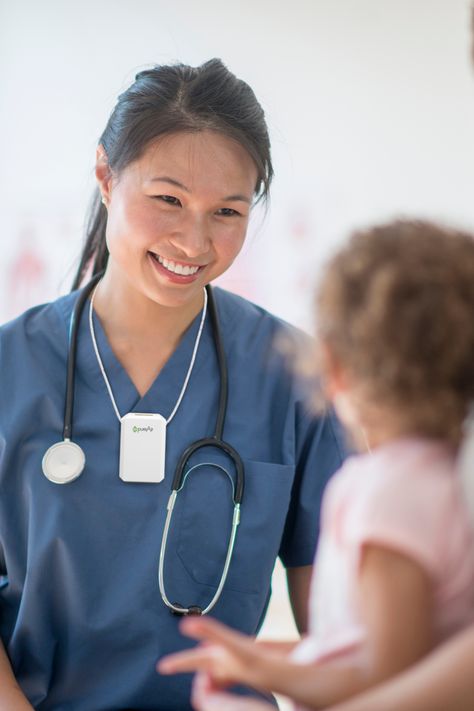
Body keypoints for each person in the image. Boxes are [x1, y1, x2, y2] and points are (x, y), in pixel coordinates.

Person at [0, 59, 346, 710]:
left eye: (227, 211)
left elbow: (336, 633)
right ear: (105, 176)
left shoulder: (294, 377)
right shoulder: (10, 366)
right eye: (168, 200)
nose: (195, 240)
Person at [159, 220, 474, 710]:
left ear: (333, 364)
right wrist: (264, 663)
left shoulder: (388, 495)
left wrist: (260, 688)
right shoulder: (448, 478)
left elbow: (386, 677)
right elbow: (375, 650)